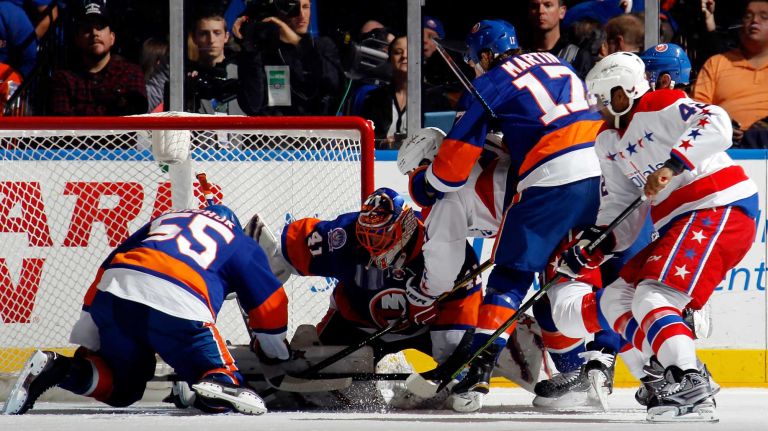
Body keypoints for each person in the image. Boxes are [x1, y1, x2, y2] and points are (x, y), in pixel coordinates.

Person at [408, 19, 604, 412]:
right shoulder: (557, 63)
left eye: (474, 61)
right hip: (598, 172)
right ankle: (579, 373)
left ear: (485, 55)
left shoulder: (491, 83)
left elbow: (451, 169)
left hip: (551, 179)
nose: (473, 69)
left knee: (509, 279)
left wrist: (424, 186)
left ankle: (479, 372)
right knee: (561, 282)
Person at [556, 51, 758, 421]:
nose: (599, 108)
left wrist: (673, 162)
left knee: (653, 296)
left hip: (717, 205)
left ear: (623, 92)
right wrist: (594, 244)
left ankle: (689, 379)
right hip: (682, 220)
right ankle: (660, 371)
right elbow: (620, 206)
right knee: (616, 297)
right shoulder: (607, 142)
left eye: (603, 99)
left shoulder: (660, 103)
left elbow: (716, 122)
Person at [2, 204, 292, 415]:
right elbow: (269, 304)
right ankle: (214, 380)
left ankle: (58, 368)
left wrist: (90, 326)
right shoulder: (239, 241)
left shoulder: (168, 218)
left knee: (122, 387)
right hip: (179, 302)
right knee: (223, 381)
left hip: (115, 292)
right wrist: (275, 352)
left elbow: (110, 262)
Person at [278, 187, 483, 408]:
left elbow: (464, 304)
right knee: (335, 395)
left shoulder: (440, 245)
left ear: (405, 228)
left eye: (379, 238)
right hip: (356, 324)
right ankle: (392, 370)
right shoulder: (342, 235)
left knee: (458, 391)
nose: (372, 249)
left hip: (427, 328)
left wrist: (457, 362)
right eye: (367, 237)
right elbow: (283, 251)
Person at [236, 0, 344, 116]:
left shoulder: (322, 46)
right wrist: (249, 49)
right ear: (278, 11)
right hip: (272, 131)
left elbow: (334, 86)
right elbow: (252, 106)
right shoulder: (261, 51)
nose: (302, 15)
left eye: (306, 7)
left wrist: (298, 43)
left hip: (313, 130)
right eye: (295, 7)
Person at [49, 0, 147, 116]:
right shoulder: (63, 79)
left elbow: (135, 115)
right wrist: (113, 107)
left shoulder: (131, 73)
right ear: (77, 39)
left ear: (112, 37)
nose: (94, 33)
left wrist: (79, 112)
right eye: (86, 29)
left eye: (100, 27)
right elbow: (62, 122)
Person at [693, 0, 768, 147]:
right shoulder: (716, 63)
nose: (754, 20)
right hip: (723, 149)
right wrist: (721, 126)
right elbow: (697, 112)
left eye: (764, 16)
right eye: (748, 16)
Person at [187, 10, 244, 115]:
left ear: (226, 37)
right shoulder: (187, 76)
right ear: (195, 38)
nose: (211, 40)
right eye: (204, 34)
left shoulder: (242, 73)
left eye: (217, 33)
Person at [525, 0, 595, 79]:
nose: (541, 11)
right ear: (529, 12)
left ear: (562, 12)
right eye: (534, 6)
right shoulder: (520, 56)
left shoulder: (578, 57)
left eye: (548, 5)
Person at [361, 35, 408, 149]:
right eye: (398, 52)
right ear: (390, 59)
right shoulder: (375, 99)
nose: (404, 56)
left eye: (410, 51)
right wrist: (383, 142)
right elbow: (364, 139)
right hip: (384, 160)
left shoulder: (434, 99)